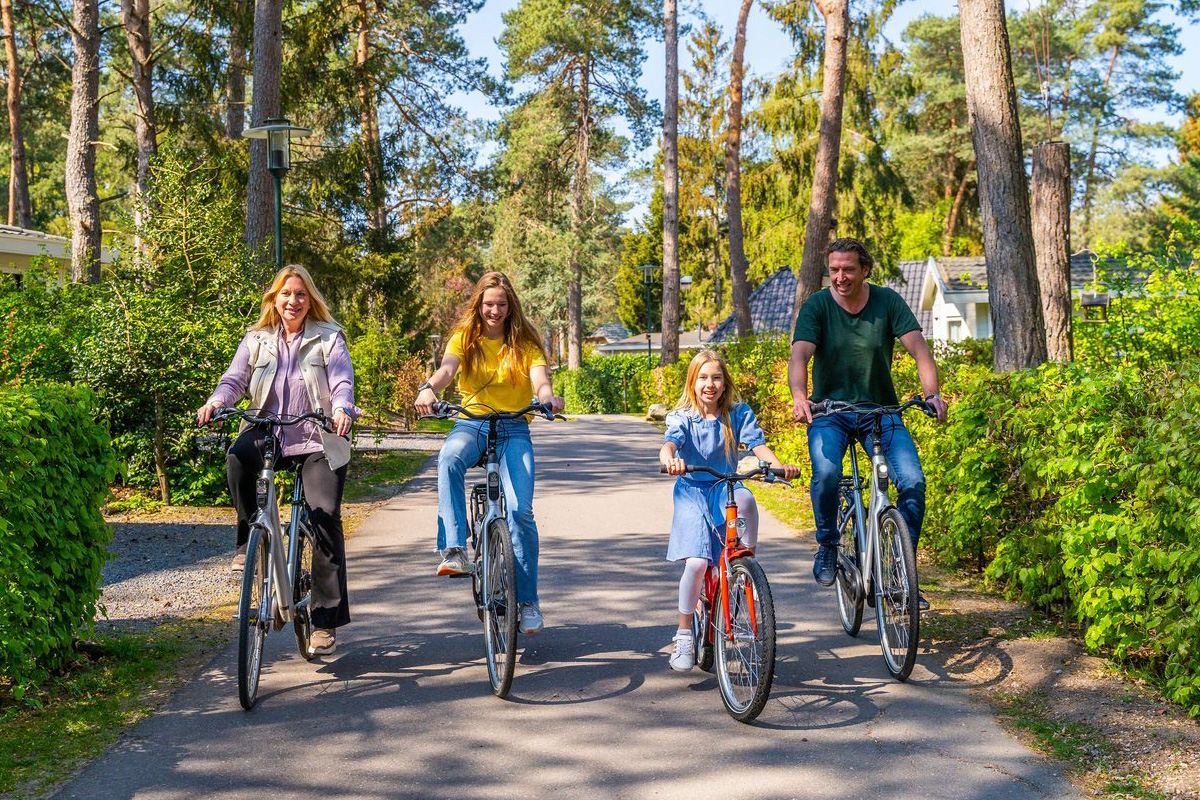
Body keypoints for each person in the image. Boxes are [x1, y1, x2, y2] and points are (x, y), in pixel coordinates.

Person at [197, 264, 358, 657]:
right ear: (275, 298)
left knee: (323, 515)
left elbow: (342, 382)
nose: (293, 301)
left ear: (310, 300)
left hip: (318, 435)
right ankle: (247, 540)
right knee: (237, 457)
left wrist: (342, 409)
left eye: (301, 294)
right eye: (286, 294)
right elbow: (234, 379)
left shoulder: (329, 338)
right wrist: (218, 400)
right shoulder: (257, 339)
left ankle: (324, 621)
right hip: (268, 431)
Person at [787, 237, 948, 608]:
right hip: (831, 413)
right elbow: (800, 356)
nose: (840, 277)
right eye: (834, 270)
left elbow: (919, 349)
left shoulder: (887, 302)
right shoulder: (818, 306)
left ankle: (898, 571)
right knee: (826, 474)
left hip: (882, 412)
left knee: (913, 482)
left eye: (848, 270)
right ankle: (827, 543)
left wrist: (932, 394)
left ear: (865, 271)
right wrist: (800, 395)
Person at [414, 271, 565, 636]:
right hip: (472, 423)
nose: (494, 310)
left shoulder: (526, 343)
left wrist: (547, 399)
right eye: (488, 304)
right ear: (478, 306)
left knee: (520, 512)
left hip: (514, 427)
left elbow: (541, 380)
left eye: (501, 304)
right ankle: (453, 548)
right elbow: (446, 371)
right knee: (449, 458)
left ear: (511, 306)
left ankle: (528, 603)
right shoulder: (464, 338)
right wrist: (428, 388)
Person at [659, 349, 799, 672]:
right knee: (695, 563)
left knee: (747, 499)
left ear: (725, 383)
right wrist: (669, 458)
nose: (711, 384)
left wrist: (778, 468)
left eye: (717, 377)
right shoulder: (684, 417)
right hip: (693, 490)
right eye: (704, 378)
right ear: (693, 383)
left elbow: (758, 446)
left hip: (725, 486)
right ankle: (683, 633)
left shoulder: (737, 414)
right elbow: (669, 443)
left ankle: (744, 560)